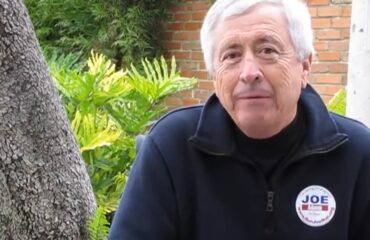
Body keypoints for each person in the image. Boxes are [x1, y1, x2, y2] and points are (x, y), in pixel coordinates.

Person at [109, 0, 370, 239]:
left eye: (267, 50)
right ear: (214, 75)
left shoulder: (358, 154)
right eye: (231, 55)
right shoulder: (171, 147)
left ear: (304, 66)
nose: (249, 73)